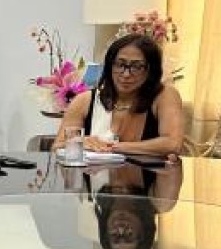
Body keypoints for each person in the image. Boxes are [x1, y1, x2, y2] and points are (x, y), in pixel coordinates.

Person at [55, 34, 184, 157]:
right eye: (120, 64)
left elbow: (173, 144)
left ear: (151, 70)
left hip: (146, 173)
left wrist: (113, 147)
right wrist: (81, 143)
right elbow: (57, 147)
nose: (126, 74)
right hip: (93, 172)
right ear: (109, 66)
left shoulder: (164, 95)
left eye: (137, 67)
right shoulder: (84, 100)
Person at [90, 162, 183, 249]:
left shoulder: (94, 191)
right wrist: (124, 158)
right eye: (129, 234)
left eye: (115, 235)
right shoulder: (161, 203)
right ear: (144, 229)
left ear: (105, 230)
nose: (121, 228)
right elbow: (172, 165)